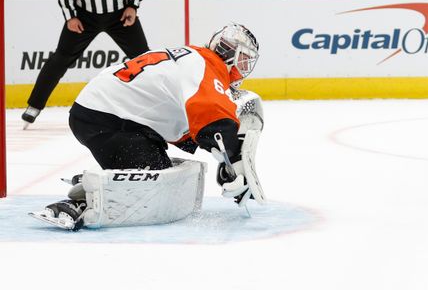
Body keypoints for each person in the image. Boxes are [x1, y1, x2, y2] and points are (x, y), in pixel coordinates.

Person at [30, 24, 263, 231]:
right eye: (244, 61)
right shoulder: (208, 67)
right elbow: (214, 119)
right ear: (231, 54)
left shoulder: (193, 58)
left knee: (160, 167)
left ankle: (110, 175)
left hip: (107, 113)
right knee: (157, 182)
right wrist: (234, 159)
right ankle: (84, 200)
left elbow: (184, 123)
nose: (243, 68)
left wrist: (224, 160)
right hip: (107, 117)